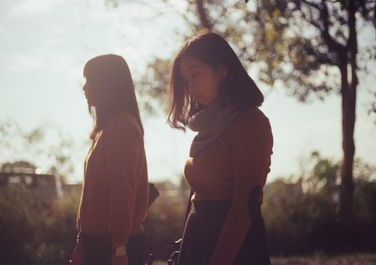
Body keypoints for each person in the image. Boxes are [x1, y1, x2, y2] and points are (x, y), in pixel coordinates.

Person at [167, 31, 273, 265]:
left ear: (222, 71)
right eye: (186, 81)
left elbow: (244, 207)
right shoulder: (207, 125)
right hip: (197, 240)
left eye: (195, 75)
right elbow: (199, 193)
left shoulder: (250, 122)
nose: (190, 87)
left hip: (234, 248)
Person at [70, 54, 149, 265]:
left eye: (90, 80)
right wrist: (81, 243)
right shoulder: (106, 130)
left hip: (112, 245)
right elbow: (91, 198)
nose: (84, 88)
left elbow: (122, 192)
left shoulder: (121, 128)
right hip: (98, 242)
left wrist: (120, 248)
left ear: (107, 85)